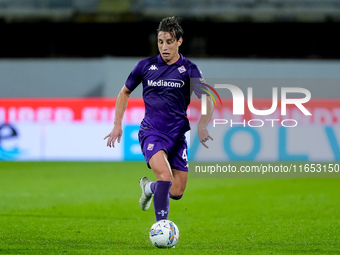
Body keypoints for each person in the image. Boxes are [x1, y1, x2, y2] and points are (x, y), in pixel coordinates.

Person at [104, 16, 214, 222]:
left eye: (169, 42)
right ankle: (161, 228)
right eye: (160, 42)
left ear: (179, 41)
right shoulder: (145, 66)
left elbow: (207, 98)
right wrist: (117, 124)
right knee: (165, 177)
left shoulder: (190, 69)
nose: (164, 47)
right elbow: (124, 92)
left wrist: (202, 124)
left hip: (178, 135)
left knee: (177, 191)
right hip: (152, 132)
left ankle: (148, 188)